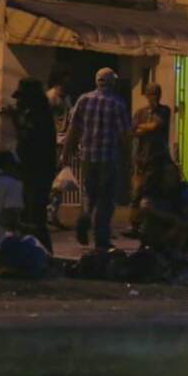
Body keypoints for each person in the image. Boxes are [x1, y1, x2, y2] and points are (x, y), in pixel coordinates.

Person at [62, 67, 131, 250]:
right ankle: (101, 238)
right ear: (113, 83)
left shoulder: (84, 100)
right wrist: (128, 159)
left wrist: (65, 153)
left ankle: (84, 217)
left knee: (89, 194)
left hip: (87, 157)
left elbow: (73, 129)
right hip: (108, 158)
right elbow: (125, 136)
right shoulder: (118, 104)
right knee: (106, 199)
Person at [12, 79, 57, 252]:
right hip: (34, 172)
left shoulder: (37, 115)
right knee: (30, 216)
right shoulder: (38, 112)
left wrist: (16, 120)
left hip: (36, 172)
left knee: (35, 217)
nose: (18, 102)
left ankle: (44, 253)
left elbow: (29, 141)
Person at [126, 82, 172, 237]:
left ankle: (152, 225)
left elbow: (155, 125)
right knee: (137, 193)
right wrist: (143, 128)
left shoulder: (164, 110)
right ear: (146, 95)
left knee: (154, 193)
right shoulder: (140, 113)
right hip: (142, 159)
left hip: (158, 159)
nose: (155, 97)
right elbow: (133, 130)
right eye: (152, 93)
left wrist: (142, 127)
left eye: (157, 93)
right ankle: (134, 225)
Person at [138, 159, 188, 256]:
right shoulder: (152, 190)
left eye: (173, 173)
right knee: (150, 222)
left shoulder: (182, 189)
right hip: (161, 228)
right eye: (168, 173)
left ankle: (181, 252)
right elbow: (146, 206)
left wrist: (183, 224)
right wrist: (173, 218)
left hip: (180, 229)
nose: (172, 177)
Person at [45, 65, 73, 229]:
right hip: (53, 143)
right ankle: (49, 213)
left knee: (60, 181)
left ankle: (52, 212)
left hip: (62, 142)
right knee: (52, 180)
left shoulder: (65, 98)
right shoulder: (51, 98)